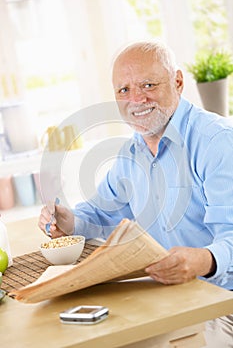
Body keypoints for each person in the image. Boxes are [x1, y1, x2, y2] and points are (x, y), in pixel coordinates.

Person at [39, 40, 233, 347]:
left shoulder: (217, 143)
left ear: (178, 82)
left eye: (148, 84)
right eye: (123, 90)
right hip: (176, 296)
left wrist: (206, 259)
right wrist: (70, 221)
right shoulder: (132, 152)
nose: (136, 99)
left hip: (224, 302)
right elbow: (102, 213)